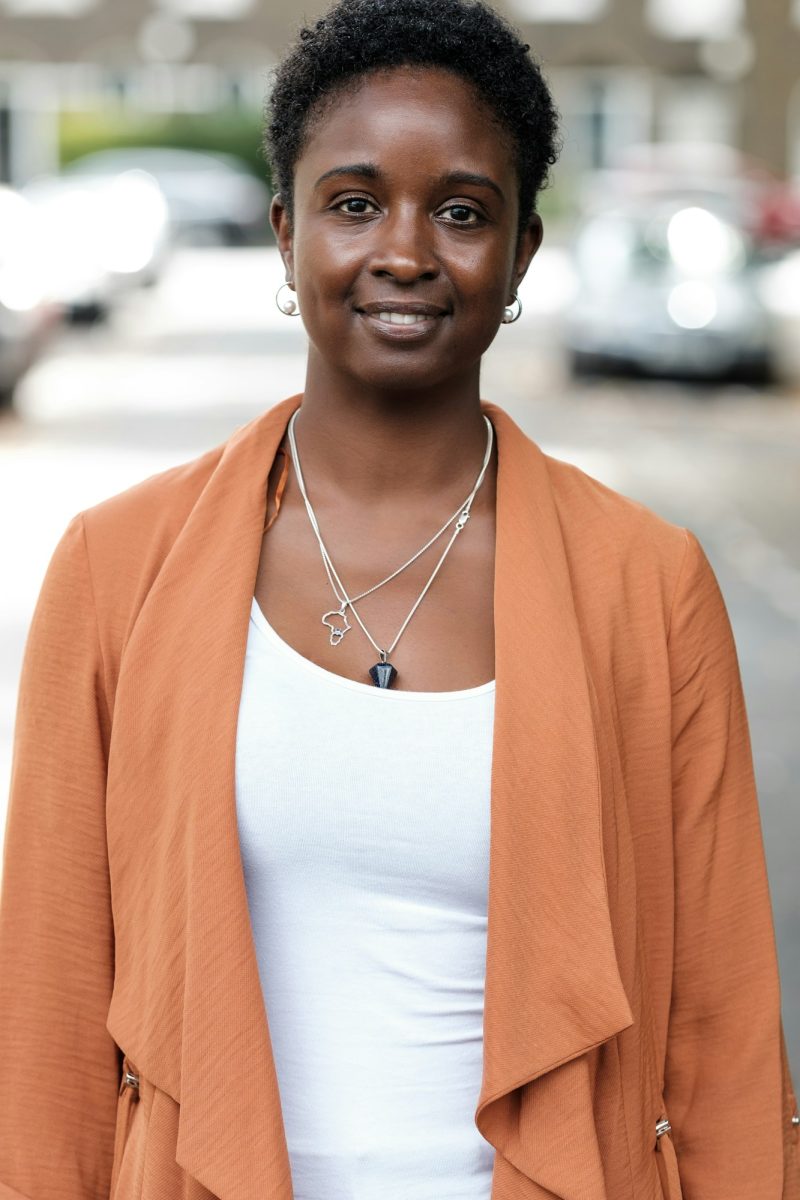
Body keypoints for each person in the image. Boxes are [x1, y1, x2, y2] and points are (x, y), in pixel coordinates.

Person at [0, 0, 798, 1197]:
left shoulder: (647, 585)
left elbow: (722, 1037)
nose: (406, 252)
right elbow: (51, 1023)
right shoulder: (118, 568)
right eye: (355, 201)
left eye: (463, 211)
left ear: (523, 251)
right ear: (285, 232)